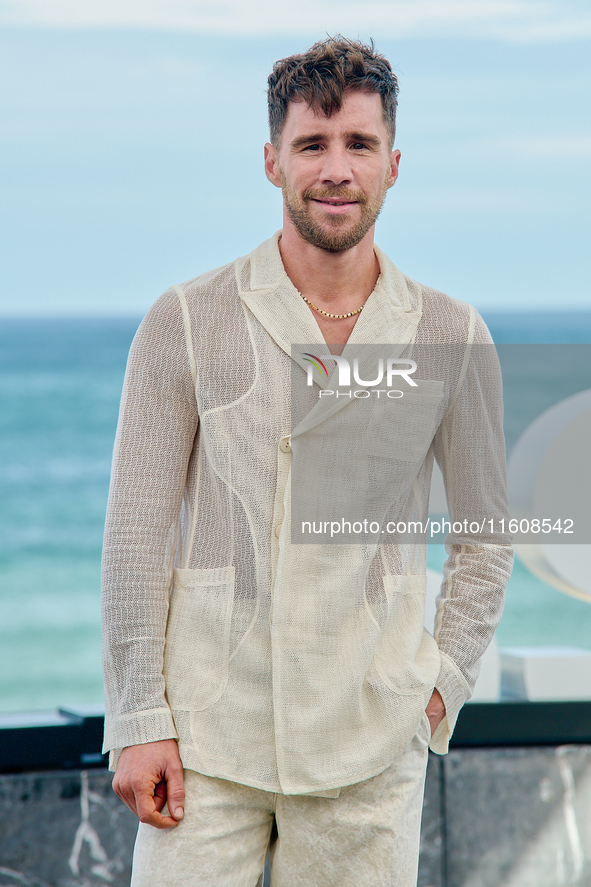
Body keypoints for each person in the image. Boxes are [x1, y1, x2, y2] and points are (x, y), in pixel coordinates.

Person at [102, 36, 513, 887]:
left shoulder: (451, 334)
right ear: (270, 160)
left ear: (393, 164)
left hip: (368, 751)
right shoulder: (183, 320)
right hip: (208, 746)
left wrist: (435, 692)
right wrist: (140, 716)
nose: (336, 168)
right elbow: (134, 537)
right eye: (312, 145)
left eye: (358, 145)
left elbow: (485, 537)